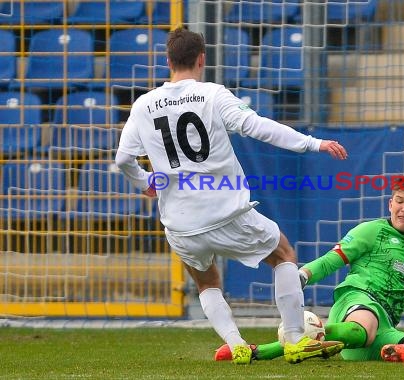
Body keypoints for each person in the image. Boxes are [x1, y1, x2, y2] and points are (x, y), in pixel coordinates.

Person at [114, 26, 347, 365]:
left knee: (207, 281)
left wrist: (146, 183)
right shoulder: (213, 94)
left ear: (168, 60)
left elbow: (122, 159)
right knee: (283, 253)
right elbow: (256, 126)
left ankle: (237, 344)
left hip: (179, 223)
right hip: (225, 211)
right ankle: (296, 339)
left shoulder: (144, 104)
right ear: (201, 59)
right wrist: (313, 143)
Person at [215, 174, 404, 362]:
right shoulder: (372, 231)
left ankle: (397, 351)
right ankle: (257, 351)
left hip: (382, 330)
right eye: (400, 201)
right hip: (359, 300)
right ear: (390, 204)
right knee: (364, 329)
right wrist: (303, 275)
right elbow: (333, 259)